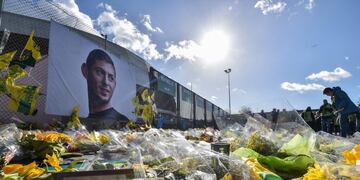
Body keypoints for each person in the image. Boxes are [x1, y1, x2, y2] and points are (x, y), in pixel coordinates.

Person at [81, 49, 129, 125]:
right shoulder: (82, 124)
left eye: (111, 78)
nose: (106, 82)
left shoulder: (123, 122)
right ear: (85, 71)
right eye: (99, 72)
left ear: (115, 84)